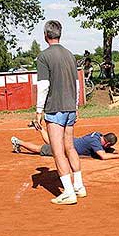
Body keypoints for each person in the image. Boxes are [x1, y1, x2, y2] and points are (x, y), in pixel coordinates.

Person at [35, 20, 84, 205]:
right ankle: (79, 186)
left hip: (55, 109)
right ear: (60, 34)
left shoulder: (43, 56)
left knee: (57, 152)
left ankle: (68, 192)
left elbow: (43, 86)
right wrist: (76, 107)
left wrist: (39, 110)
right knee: (70, 147)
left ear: (45, 35)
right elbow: (77, 84)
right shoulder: (70, 55)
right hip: (71, 107)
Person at [11, 125, 119, 160]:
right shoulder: (95, 142)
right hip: (64, 147)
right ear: (106, 144)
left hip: (69, 141)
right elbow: (103, 155)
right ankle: (18, 141)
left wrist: (117, 152)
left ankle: (41, 128)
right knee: (40, 149)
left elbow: (106, 150)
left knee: (49, 141)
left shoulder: (98, 135)